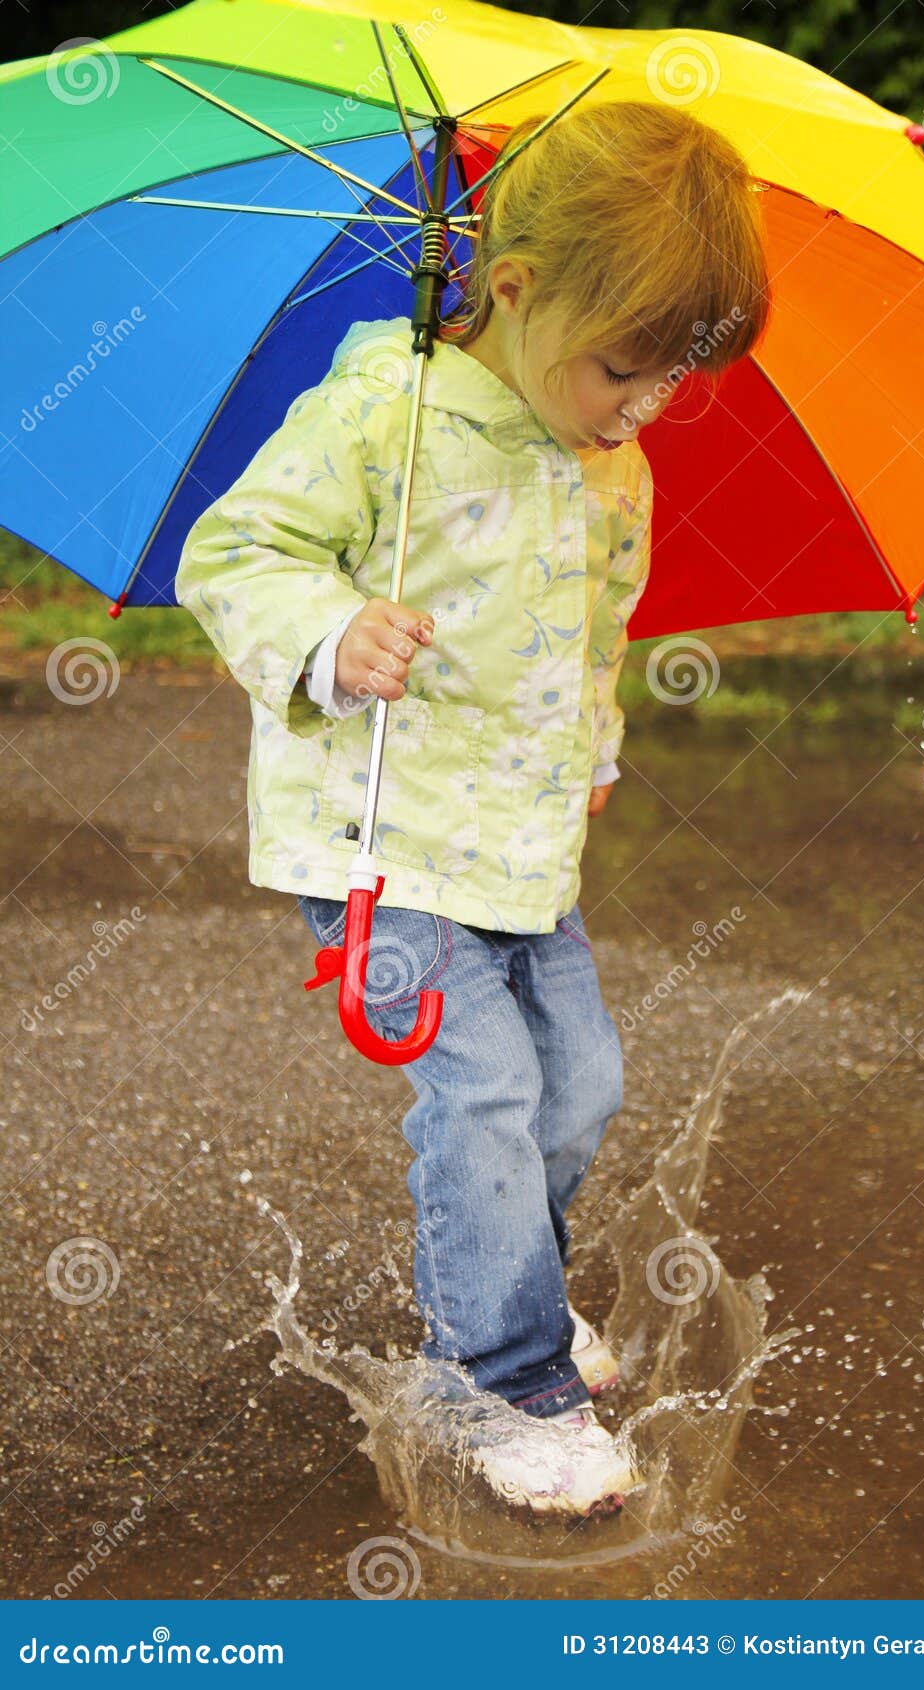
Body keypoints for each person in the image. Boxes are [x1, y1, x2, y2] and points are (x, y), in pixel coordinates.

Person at [175, 98, 770, 1519]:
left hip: (523, 842)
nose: (647, 405)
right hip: (384, 839)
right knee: (487, 1091)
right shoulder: (385, 412)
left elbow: (599, 631)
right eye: (625, 367)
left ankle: (506, 1284)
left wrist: (596, 743)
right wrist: (331, 633)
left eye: (673, 378)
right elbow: (237, 549)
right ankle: (499, 1374)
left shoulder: (613, 463)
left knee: (581, 1083)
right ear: (513, 286)